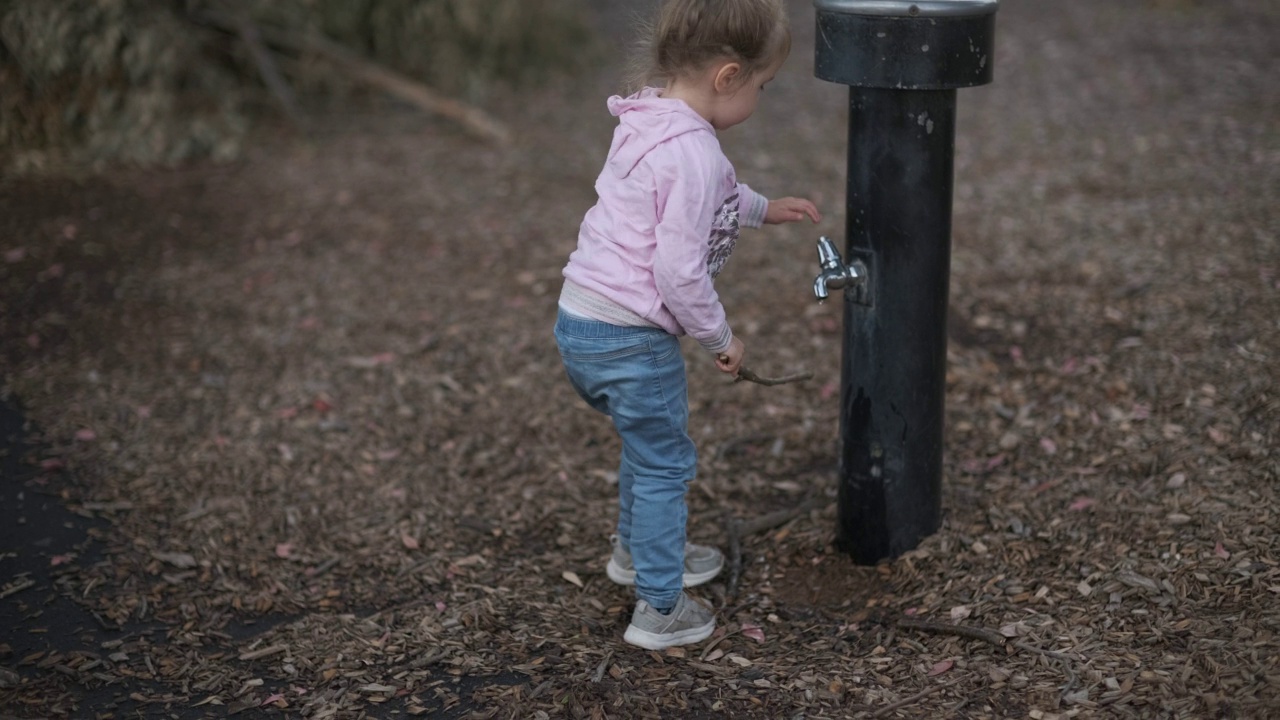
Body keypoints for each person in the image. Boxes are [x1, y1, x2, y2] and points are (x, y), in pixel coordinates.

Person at [553, 0, 821, 650]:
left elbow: (711, 198)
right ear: (728, 77)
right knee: (667, 464)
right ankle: (659, 608)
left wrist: (765, 208)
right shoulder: (694, 154)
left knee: (642, 449)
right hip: (632, 340)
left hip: (580, 320)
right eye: (762, 85)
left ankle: (636, 554)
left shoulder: (647, 116)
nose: (760, 95)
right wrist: (720, 339)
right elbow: (678, 272)